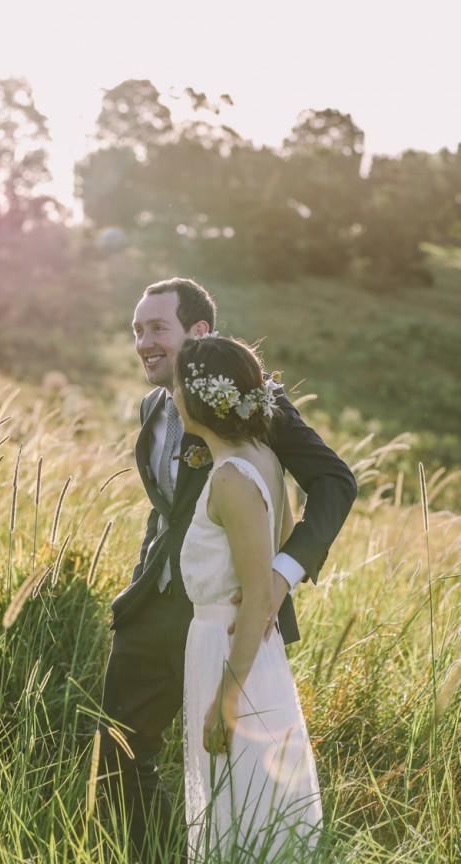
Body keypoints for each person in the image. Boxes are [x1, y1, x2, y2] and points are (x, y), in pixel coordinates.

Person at [99, 277, 357, 863]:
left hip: (230, 621)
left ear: (199, 333)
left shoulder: (252, 402)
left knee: (226, 773)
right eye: (137, 331)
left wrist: (281, 575)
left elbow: (335, 482)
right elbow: (168, 509)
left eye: (157, 329)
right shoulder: (151, 407)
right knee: (116, 757)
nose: (144, 343)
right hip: (153, 610)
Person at [175, 335, 323, 862]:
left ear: (196, 398)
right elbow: (280, 537)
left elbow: (259, 589)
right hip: (246, 645)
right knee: (251, 793)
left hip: (229, 645)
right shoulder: (261, 456)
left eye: (176, 384)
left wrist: (226, 698)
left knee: (237, 795)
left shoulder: (232, 477)